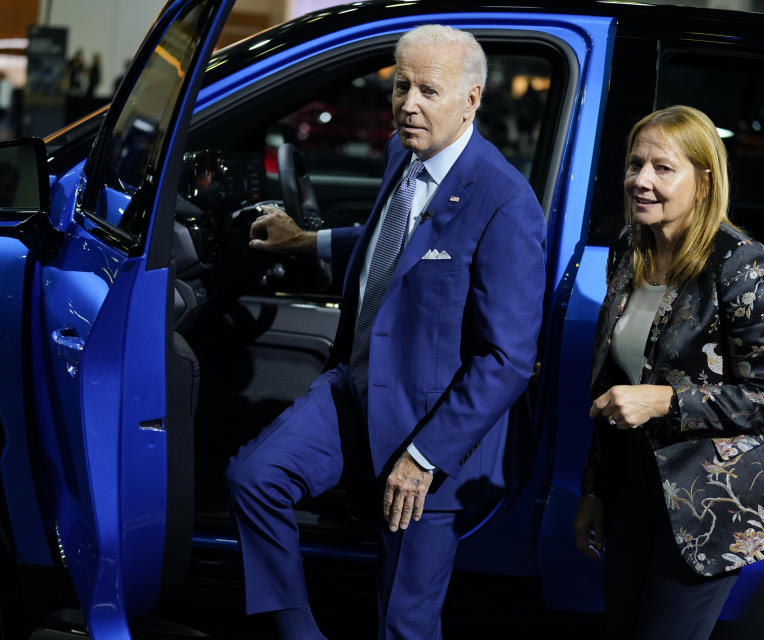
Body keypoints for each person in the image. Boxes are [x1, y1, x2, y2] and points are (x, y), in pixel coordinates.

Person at [226, 24, 546, 640]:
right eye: (401, 86)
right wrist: (306, 240)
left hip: (434, 431)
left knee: (403, 624)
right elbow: (390, 248)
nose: (409, 104)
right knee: (254, 479)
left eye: (429, 90)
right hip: (359, 386)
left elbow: (506, 361)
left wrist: (422, 460)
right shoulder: (406, 153)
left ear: (471, 100)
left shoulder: (505, 202)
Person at [573, 105, 764, 639]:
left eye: (662, 168)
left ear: (703, 182)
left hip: (710, 499)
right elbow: (612, 384)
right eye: (635, 165)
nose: (641, 180)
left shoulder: (740, 262)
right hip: (633, 485)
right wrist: (595, 491)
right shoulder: (628, 248)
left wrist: (664, 400)